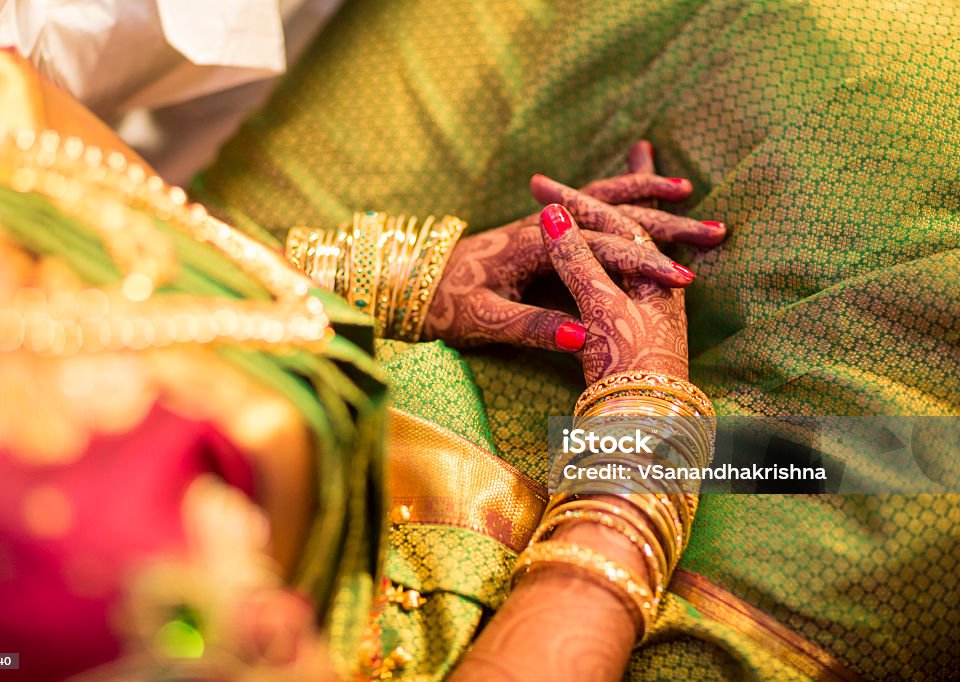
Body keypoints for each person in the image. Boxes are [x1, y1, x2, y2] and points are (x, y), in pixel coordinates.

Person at [0, 8, 727, 681]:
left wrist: (396, 276)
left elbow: (147, 250)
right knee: (813, 459)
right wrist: (637, 456)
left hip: (379, 360)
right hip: (541, 602)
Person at [195, 1, 960, 680]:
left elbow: (104, 229)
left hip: (271, 325)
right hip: (623, 590)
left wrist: (387, 278)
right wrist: (638, 433)